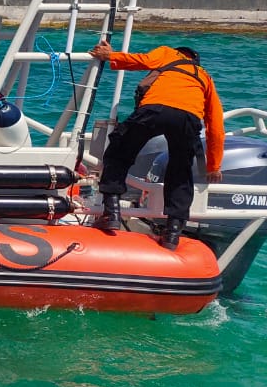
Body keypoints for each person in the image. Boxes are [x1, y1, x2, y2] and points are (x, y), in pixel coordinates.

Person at [89, 41, 224, 249]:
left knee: (119, 152)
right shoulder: (205, 77)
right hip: (188, 119)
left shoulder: (168, 53)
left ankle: (111, 213)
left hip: (154, 109)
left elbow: (143, 61)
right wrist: (214, 166)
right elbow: (215, 125)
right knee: (180, 172)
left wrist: (110, 55)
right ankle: (173, 233)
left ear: (180, 54)